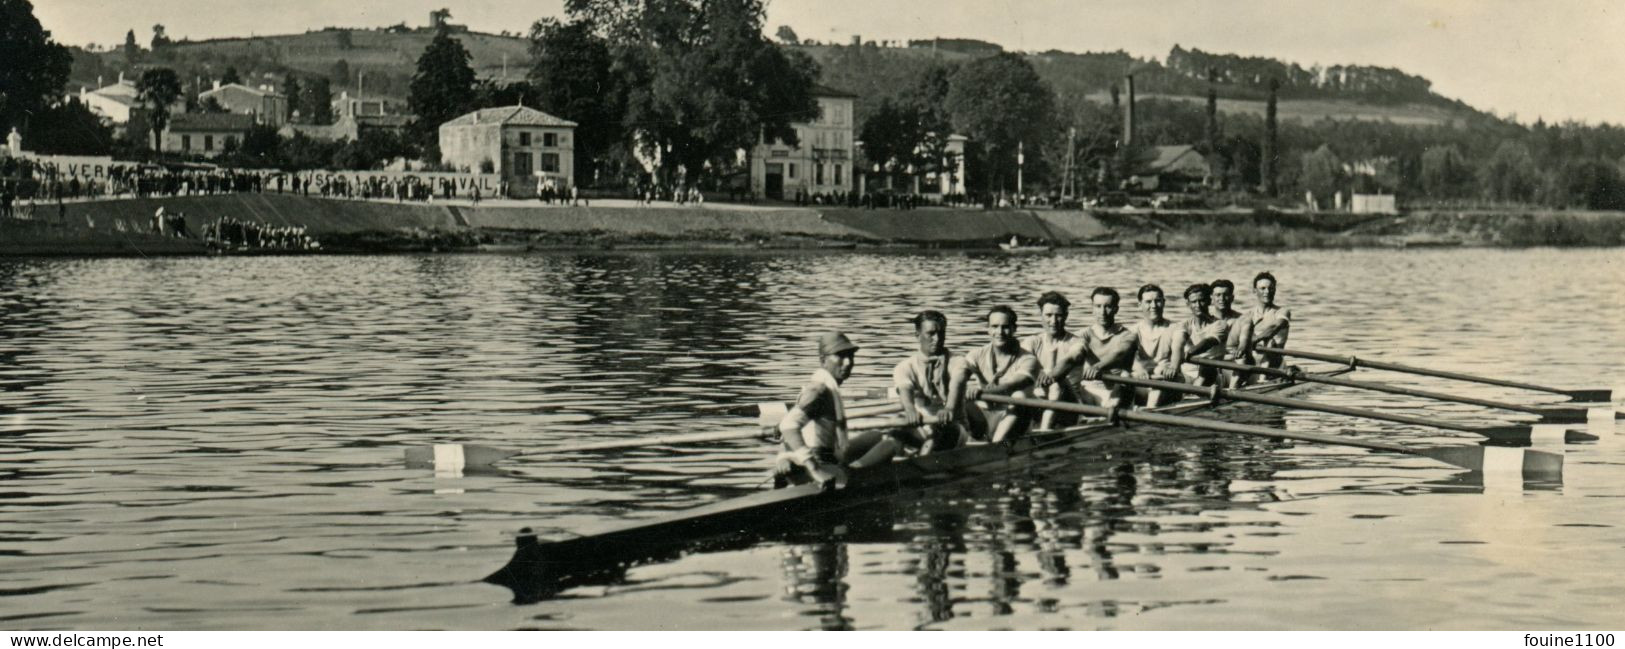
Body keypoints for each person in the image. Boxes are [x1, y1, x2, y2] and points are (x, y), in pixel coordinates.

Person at [777, 332, 901, 488]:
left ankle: (852, 469)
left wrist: (784, 455)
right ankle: (852, 474)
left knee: (876, 436)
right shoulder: (819, 391)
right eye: (840, 356)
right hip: (820, 466)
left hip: (822, 454)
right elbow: (788, 426)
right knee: (892, 444)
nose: (848, 362)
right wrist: (814, 468)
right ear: (823, 360)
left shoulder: (820, 385)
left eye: (850, 356)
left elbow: (786, 432)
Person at [953, 306, 1041, 443]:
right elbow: (959, 376)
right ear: (988, 329)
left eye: (1005, 327)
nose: (999, 332)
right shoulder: (975, 355)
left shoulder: (1028, 359)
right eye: (994, 326)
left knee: (1019, 396)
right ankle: (965, 442)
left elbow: (1011, 385)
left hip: (1014, 419)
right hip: (984, 416)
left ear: (1014, 329)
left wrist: (981, 390)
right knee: (955, 395)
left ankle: (995, 446)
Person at [893, 310, 968, 455]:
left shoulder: (958, 362)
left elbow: (955, 386)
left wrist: (948, 408)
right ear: (917, 336)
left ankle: (919, 464)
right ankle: (858, 469)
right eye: (931, 334)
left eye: (941, 333)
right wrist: (910, 410)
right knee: (894, 428)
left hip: (954, 428)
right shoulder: (904, 367)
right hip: (921, 428)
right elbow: (905, 390)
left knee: (940, 428)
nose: (937, 338)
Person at [1054, 287, 1139, 410]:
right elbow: (1074, 354)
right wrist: (1052, 374)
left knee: (1126, 376)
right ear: (1092, 309)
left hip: (1115, 393)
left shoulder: (1128, 335)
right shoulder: (1082, 335)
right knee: (1061, 382)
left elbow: (1119, 354)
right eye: (1098, 306)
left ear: (1116, 309)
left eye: (1108, 306)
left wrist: (1098, 366)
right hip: (1087, 393)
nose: (1102, 312)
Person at [1023, 291, 1084, 429]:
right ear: (1041, 316)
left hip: (1069, 407)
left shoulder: (1077, 342)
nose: (1053, 321)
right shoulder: (1031, 342)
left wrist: (1052, 375)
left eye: (1059, 315)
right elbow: (1021, 363)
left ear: (1066, 316)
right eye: (1049, 315)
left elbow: (1069, 360)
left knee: (1057, 383)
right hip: (1038, 402)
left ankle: (1044, 434)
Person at [1129, 284, 1185, 407]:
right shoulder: (1132, 331)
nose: (1153, 306)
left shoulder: (1176, 328)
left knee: (1158, 388)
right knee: (1123, 380)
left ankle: (1148, 416)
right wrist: (1138, 368)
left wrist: (1173, 367)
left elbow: (1178, 350)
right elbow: (1128, 354)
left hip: (1168, 381)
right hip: (1142, 381)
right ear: (1140, 305)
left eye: (1157, 301)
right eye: (1148, 302)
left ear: (1163, 302)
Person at [1178, 283, 1231, 386]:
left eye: (1201, 301)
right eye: (1193, 302)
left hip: (1212, 376)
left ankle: (1192, 394)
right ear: (1188, 304)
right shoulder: (1184, 325)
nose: (1198, 305)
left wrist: (1189, 352)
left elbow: (1208, 342)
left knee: (1206, 367)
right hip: (1186, 376)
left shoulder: (1220, 324)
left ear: (1209, 301)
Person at [1210, 278, 1255, 387]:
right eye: (1218, 295)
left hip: (1236, 369)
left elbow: (1244, 340)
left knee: (1241, 359)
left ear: (1232, 297)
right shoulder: (1206, 321)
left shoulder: (1243, 319)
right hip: (1213, 369)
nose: (1222, 299)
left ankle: (1233, 392)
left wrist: (1242, 346)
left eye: (1226, 295)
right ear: (1211, 298)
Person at [1247, 272, 1292, 371]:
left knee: (1270, 342)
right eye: (1262, 288)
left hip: (1274, 364)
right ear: (1254, 291)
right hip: (1252, 364)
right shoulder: (1249, 314)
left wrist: (1254, 340)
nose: (1267, 292)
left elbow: (1274, 328)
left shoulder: (1282, 312)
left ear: (1274, 290)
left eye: (1270, 288)